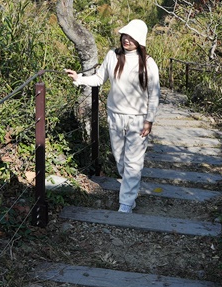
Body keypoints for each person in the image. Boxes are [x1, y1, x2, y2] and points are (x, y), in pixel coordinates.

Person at [66, 19, 160, 214]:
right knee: (120, 159)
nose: (126, 40)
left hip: (138, 118)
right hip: (115, 115)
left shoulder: (149, 63)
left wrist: (149, 120)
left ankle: (126, 202)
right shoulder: (112, 56)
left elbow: (154, 94)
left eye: (131, 37)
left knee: (133, 162)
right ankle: (130, 190)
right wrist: (79, 78)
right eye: (125, 35)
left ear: (140, 40)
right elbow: (99, 78)